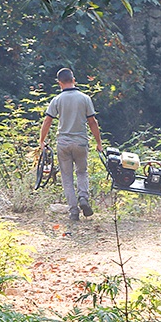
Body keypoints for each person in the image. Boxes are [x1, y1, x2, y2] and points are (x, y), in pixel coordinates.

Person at [38, 68, 104, 222]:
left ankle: (73, 212)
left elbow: (47, 120)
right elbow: (92, 122)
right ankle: (83, 198)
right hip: (81, 142)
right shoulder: (85, 98)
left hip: (63, 143)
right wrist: (98, 143)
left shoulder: (57, 100)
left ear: (59, 83)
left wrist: (42, 140)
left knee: (67, 178)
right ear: (74, 80)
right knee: (82, 172)